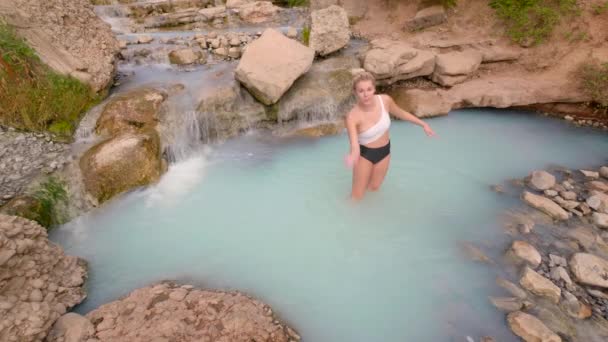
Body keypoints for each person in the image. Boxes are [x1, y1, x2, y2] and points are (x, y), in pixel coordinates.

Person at [344, 71, 436, 200]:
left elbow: (401, 113)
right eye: (361, 91)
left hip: (384, 151)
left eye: (369, 89)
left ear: (374, 88)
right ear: (355, 92)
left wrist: (423, 124)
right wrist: (353, 154)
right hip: (364, 155)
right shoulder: (352, 116)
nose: (366, 94)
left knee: (374, 187)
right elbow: (354, 144)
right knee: (357, 196)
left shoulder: (385, 100)